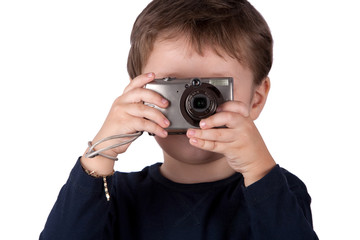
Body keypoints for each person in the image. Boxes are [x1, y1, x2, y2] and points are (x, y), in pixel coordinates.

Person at [40, 0, 318, 239]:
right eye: (172, 84)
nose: (194, 104)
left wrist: (260, 172)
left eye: (214, 88)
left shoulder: (280, 191)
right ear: (139, 94)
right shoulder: (114, 197)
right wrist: (102, 151)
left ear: (256, 99)